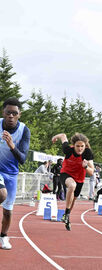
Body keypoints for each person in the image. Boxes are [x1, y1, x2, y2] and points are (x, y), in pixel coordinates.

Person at [0, 97, 30, 249]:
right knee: (1, 194)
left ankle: (3, 237)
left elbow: (23, 159)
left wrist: (11, 145)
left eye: (14, 113)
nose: (11, 116)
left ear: (19, 114)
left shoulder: (24, 130)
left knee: (8, 212)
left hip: (11, 173)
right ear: (3, 113)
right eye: (8, 113)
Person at [52, 133, 94, 230]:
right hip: (66, 174)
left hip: (80, 178)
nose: (80, 149)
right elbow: (63, 136)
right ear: (73, 145)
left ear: (85, 146)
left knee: (73, 200)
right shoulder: (68, 149)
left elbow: (91, 172)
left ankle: (67, 216)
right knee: (72, 185)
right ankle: (66, 213)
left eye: (82, 146)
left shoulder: (87, 153)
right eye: (77, 146)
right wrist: (54, 137)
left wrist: (86, 167)